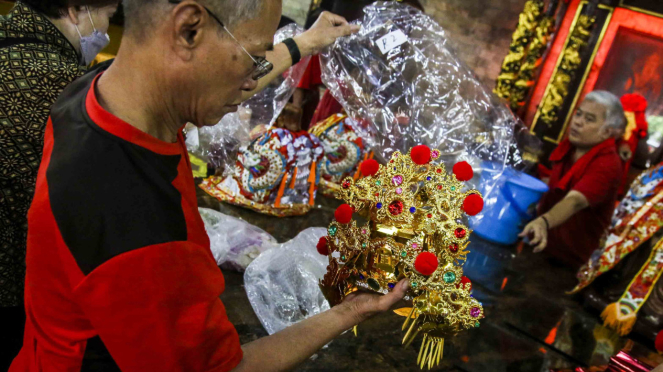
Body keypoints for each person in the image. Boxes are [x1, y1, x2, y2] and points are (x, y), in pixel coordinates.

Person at [9, 0, 408, 371]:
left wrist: (304, 42)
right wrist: (349, 311)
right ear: (189, 30)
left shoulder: (100, 93)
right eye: (254, 57)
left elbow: (218, 73)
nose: (253, 81)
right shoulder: (138, 224)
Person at [0, 0, 118, 369]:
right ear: (74, 10)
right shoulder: (61, 82)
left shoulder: (9, 40)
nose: (106, 32)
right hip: (13, 282)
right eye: (107, 17)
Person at [520, 91, 626, 268]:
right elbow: (554, 186)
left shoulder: (608, 163)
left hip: (568, 263)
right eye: (578, 114)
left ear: (606, 132)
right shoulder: (572, 147)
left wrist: (544, 221)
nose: (577, 121)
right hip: (540, 246)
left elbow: (575, 200)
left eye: (589, 119)